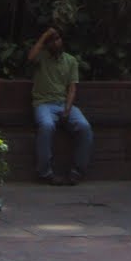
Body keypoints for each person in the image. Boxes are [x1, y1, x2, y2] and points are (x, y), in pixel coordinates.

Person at [28, 25, 93, 185]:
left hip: (63, 103)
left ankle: (78, 171)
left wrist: (68, 108)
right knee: (47, 125)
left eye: (57, 39)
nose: (55, 43)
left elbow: (72, 88)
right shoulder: (41, 58)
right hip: (43, 104)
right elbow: (30, 58)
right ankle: (45, 172)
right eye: (51, 41)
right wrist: (45, 36)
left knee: (84, 127)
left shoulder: (70, 61)